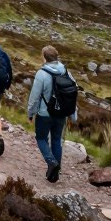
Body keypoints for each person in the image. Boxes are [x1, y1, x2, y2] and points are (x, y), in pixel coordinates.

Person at [27, 45, 77, 183]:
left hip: (44, 114)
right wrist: (73, 115)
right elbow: (73, 93)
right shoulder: (66, 72)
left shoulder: (41, 74)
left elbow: (34, 96)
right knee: (56, 140)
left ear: (44, 57)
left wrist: (31, 113)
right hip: (61, 113)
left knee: (41, 139)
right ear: (56, 57)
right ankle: (55, 173)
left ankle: (51, 162)